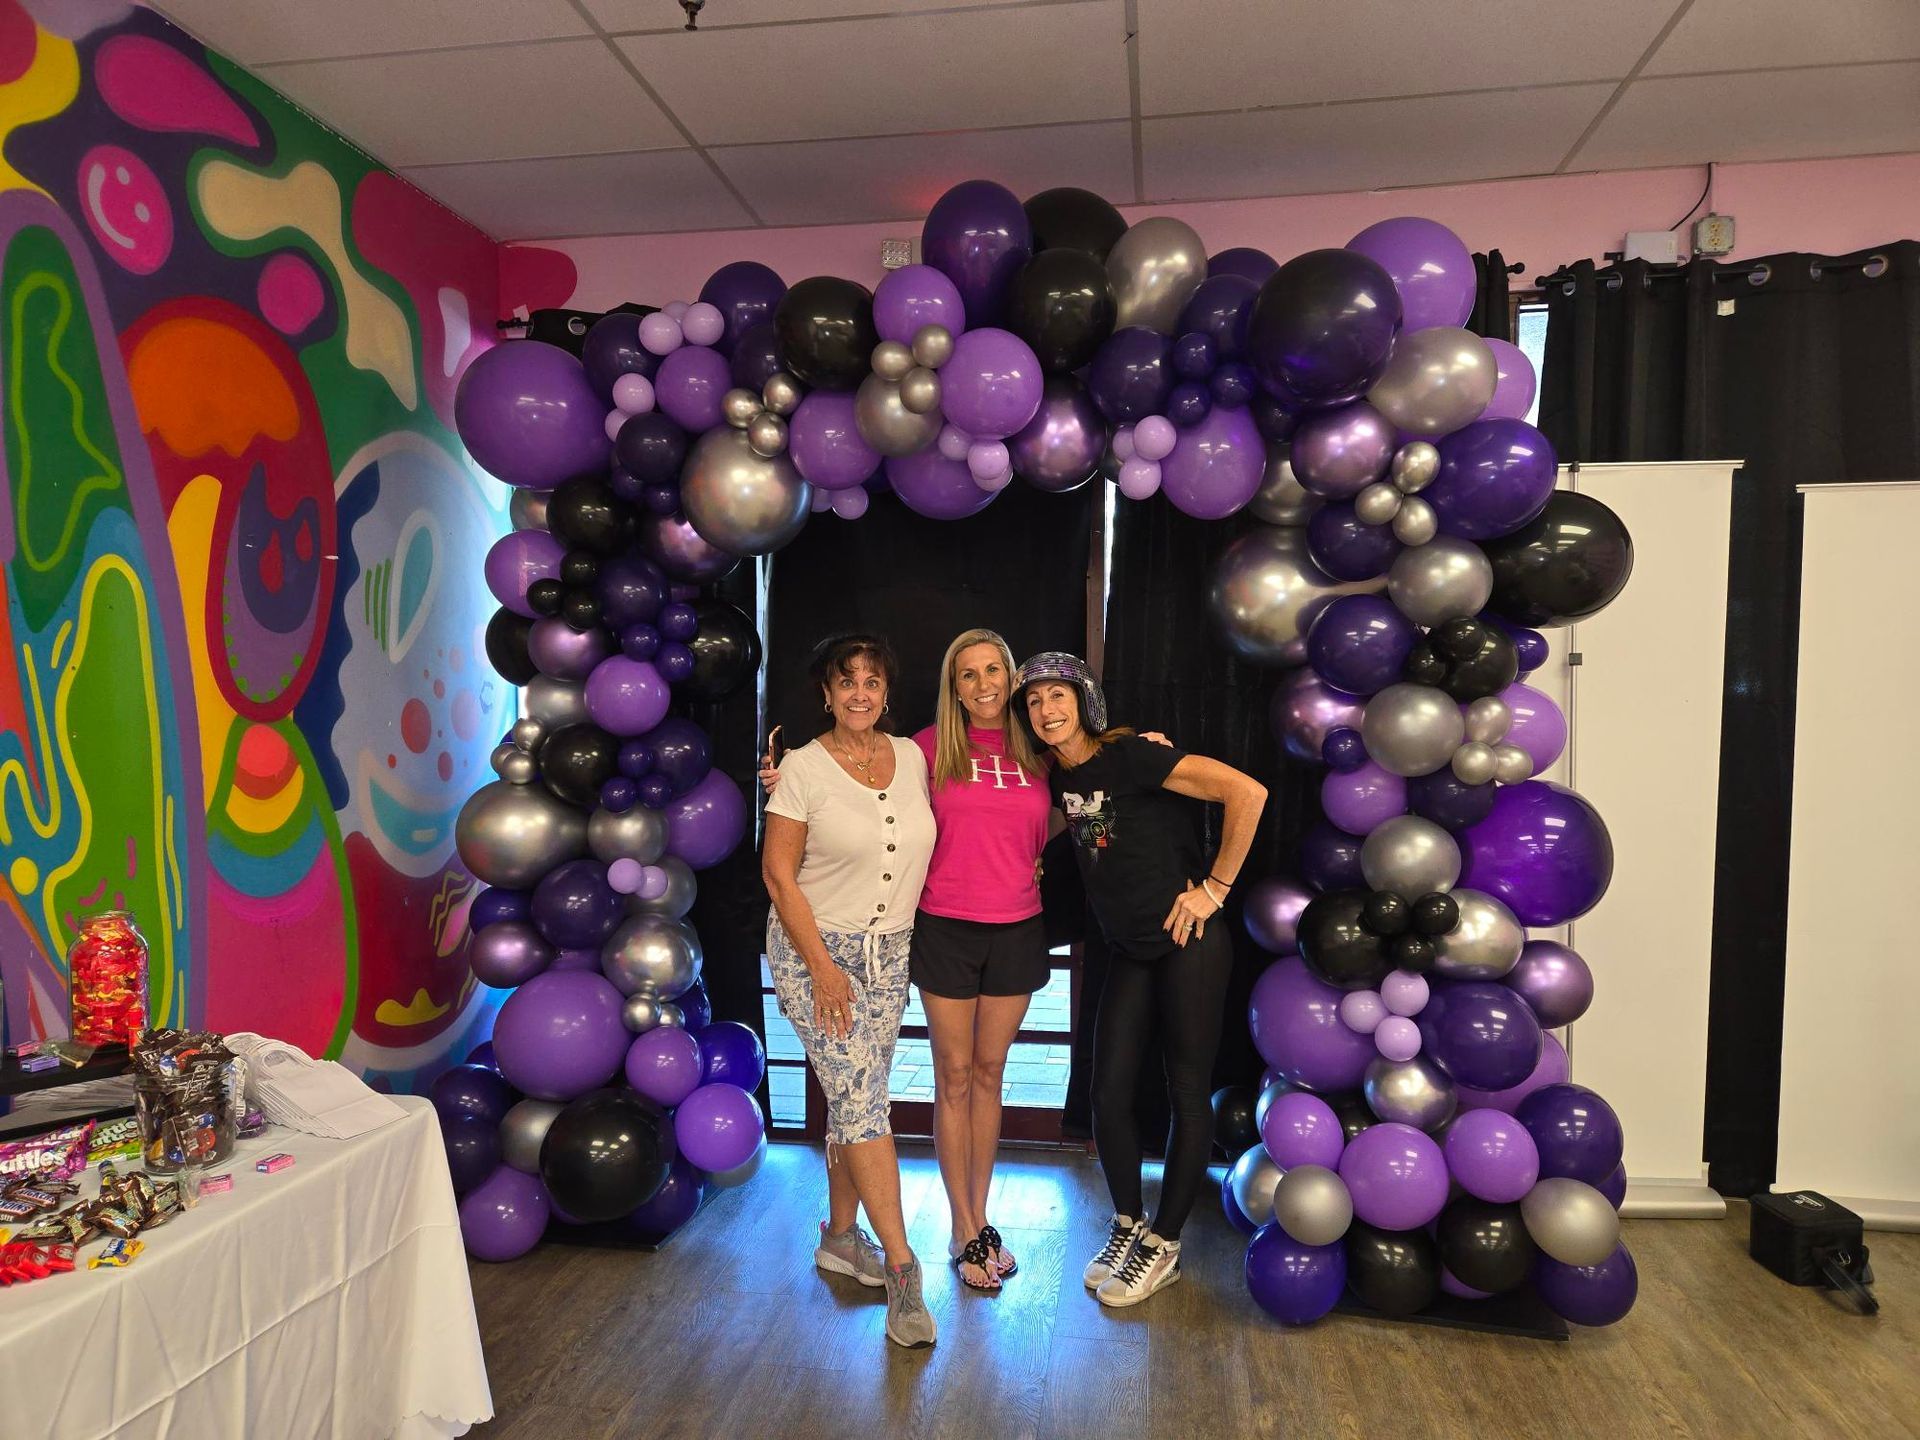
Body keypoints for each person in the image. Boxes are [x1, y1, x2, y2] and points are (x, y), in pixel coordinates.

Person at [1016, 652, 1268, 1310]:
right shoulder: (1057, 780)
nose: (1047, 709)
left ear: (1083, 698)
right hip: (1129, 949)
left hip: (1190, 944)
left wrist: (1214, 889)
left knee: (1185, 1093)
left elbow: (1248, 792)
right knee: (1108, 1090)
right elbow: (1091, 836)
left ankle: (1165, 1243)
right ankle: (1129, 1225)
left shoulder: (1132, 755)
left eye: (1057, 694)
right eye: (1034, 700)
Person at [761, 634, 939, 1348]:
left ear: (886, 693)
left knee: (853, 1094)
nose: (859, 693)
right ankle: (902, 1269)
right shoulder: (802, 768)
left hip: (889, 952)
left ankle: (840, 1237)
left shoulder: (915, 758)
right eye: (846, 682)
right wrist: (823, 968)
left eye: (872, 681)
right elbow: (779, 875)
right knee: (864, 1101)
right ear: (825, 694)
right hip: (816, 952)